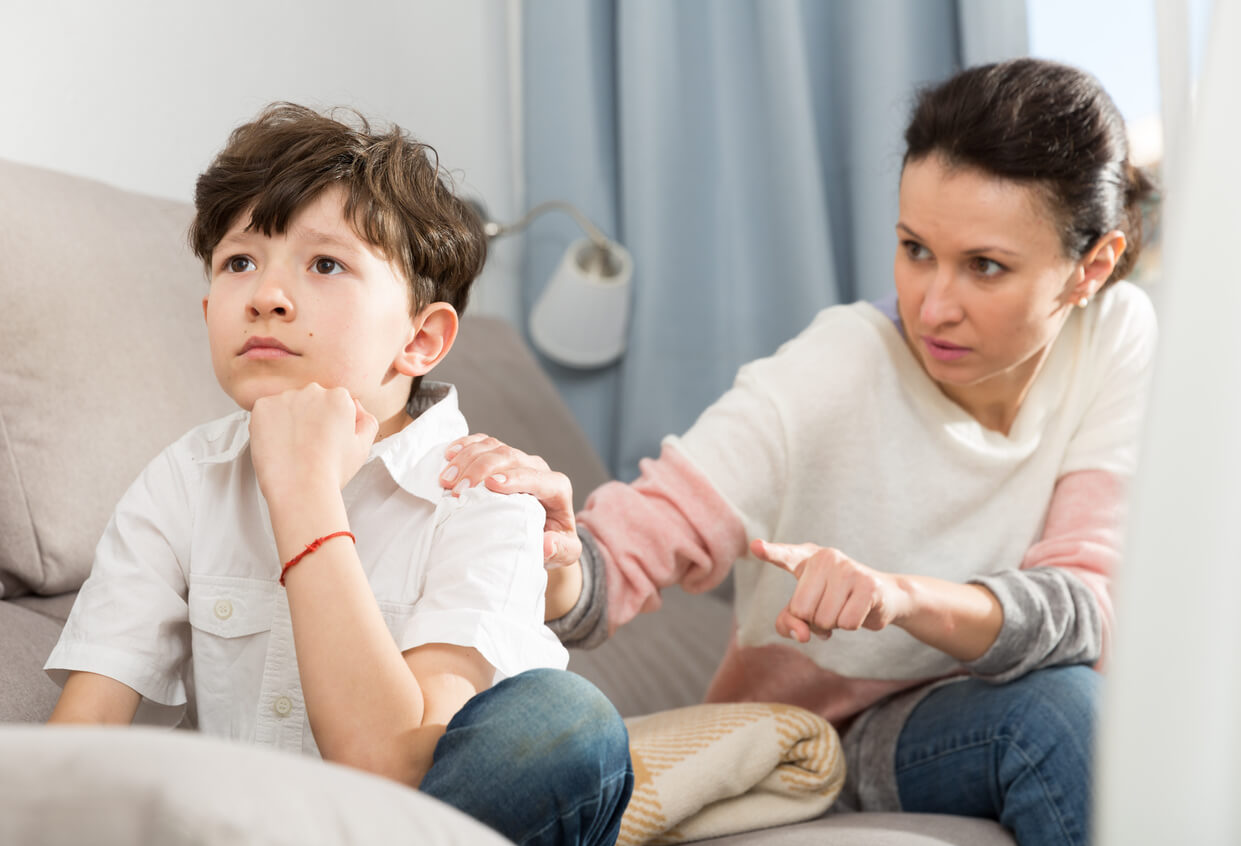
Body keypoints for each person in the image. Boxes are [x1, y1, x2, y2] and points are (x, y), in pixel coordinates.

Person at [440, 58, 1157, 846]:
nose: (933, 304)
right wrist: (553, 549)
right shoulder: (833, 369)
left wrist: (903, 598)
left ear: (1090, 268)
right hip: (829, 736)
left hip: (1007, 696)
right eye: (914, 248)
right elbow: (621, 557)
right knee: (1057, 715)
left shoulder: (1117, 336)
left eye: (984, 266)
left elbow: (1085, 610)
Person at [44, 103, 632, 846]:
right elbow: (79, 748)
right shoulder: (182, 482)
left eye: (325, 264)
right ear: (206, 309)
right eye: (238, 262)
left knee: (563, 722)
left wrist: (305, 495)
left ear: (421, 338)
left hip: (408, 827)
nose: (266, 295)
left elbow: (389, 772)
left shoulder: (486, 496)